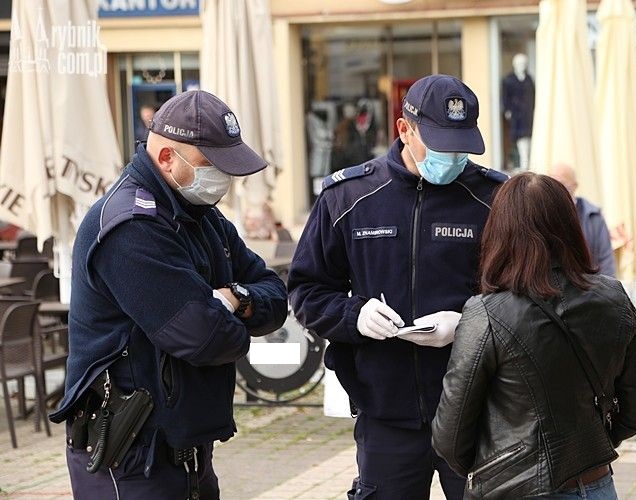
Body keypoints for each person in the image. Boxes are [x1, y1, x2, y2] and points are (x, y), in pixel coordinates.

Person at [49, 90, 288, 499]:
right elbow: (206, 338)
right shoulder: (131, 227)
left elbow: (277, 298)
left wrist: (232, 298)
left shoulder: (201, 215)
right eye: (213, 166)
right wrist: (233, 314)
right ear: (166, 160)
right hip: (128, 455)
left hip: (186, 450)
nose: (224, 180)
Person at [288, 74, 507, 499]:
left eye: (461, 145)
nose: (453, 156)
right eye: (441, 144)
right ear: (404, 130)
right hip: (385, 412)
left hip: (478, 408)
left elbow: (526, 296)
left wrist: (468, 323)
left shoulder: (495, 199)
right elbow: (307, 291)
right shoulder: (347, 197)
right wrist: (355, 316)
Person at [432, 172, 636, 499]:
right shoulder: (614, 297)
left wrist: (497, 468)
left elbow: (449, 438)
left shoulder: (487, 313)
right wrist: (590, 448)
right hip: (596, 485)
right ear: (570, 226)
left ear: (500, 231)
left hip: (516, 489)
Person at [549, 163, 616, 277]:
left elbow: (606, 260)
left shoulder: (593, 216)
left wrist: (605, 292)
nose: (556, 190)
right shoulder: (542, 213)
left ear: (575, 185)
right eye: (551, 184)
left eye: (561, 184)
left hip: (588, 287)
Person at [502, 53, 535, 171]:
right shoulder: (509, 79)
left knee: (528, 138)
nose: (522, 66)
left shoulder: (529, 79)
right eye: (519, 63)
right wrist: (507, 110)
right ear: (514, 64)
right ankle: (519, 163)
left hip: (528, 113)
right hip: (516, 115)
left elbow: (533, 94)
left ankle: (526, 162)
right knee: (517, 138)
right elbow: (505, 96)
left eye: (523, 63)